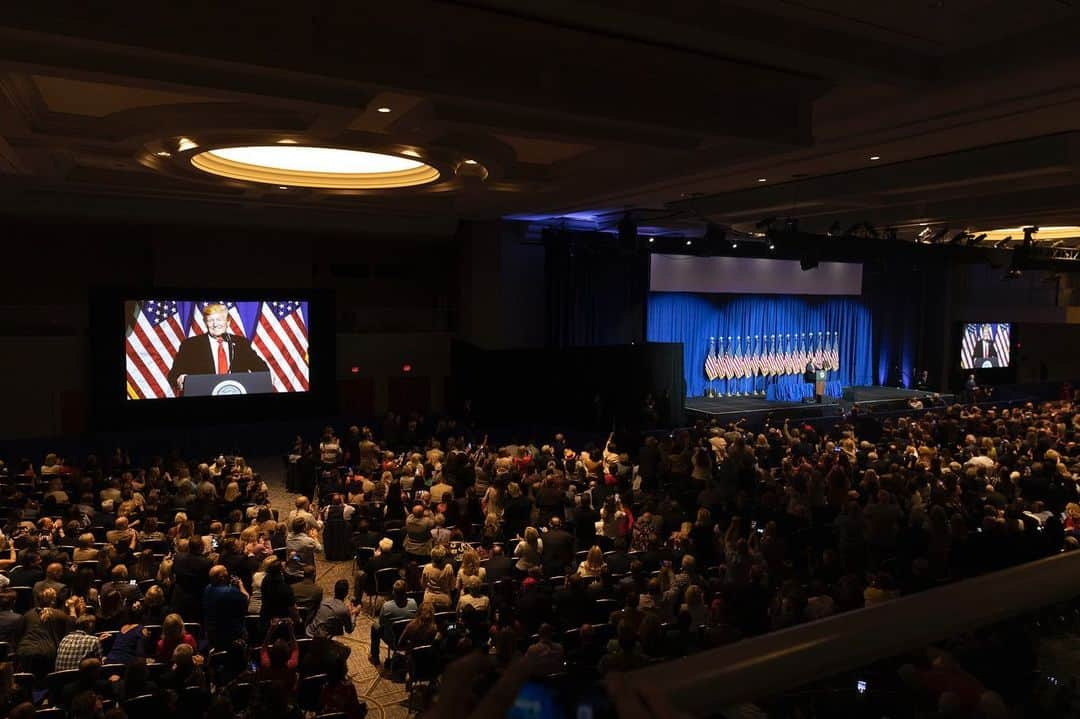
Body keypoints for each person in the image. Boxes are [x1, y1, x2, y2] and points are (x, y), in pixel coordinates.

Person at [166, 303, 269, 393]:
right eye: (210, 320)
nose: (215, 324)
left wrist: (266, 377)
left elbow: (262, 369)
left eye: (219, 319)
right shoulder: (190, 345)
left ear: (228, 322)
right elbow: (173, 374)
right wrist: (180, 378)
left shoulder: (241, 343)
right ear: (205, 323)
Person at [370, 580, 417, 665]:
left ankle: (375, 657)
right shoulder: (413, 603)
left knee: (375, 626)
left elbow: (381, 623)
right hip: (408, 640)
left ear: (394, 593)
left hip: (392, 641)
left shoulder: (386, 606)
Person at [202, 564, 249, 650]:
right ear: (221, 577)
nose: (228, 572)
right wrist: (240, 585)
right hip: (229, 634)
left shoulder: (207, 588)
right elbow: (246, 598)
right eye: (226, 570)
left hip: (212, 632)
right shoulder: (229, 591)